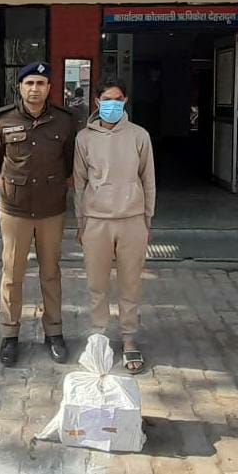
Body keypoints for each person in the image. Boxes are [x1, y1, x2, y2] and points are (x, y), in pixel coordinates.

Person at [0, 61, 76, 367]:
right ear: (20, 87)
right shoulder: (3, 120)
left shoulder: (64, 121)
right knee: (12, 274)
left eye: (40, 83)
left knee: (51, 273)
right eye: (29, 83)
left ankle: (54, 333)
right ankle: (10, 335)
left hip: (51, 210)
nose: (35, 89)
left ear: (49, 88)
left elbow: (69, 163)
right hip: (15, 211)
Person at [74, 77, 156, 374]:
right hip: (96, 221)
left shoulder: (139, 135)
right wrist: (80, 222)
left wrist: (147, 218)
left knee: (130, 284)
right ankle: (98, 337)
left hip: (132, 220)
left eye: (117, 99)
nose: (112, 104)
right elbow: (79, 183)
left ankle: (129, 338)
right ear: (97, 102)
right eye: (106, 99)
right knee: (96, 285)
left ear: (125, 102)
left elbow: (148, 179)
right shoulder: (84, 138)